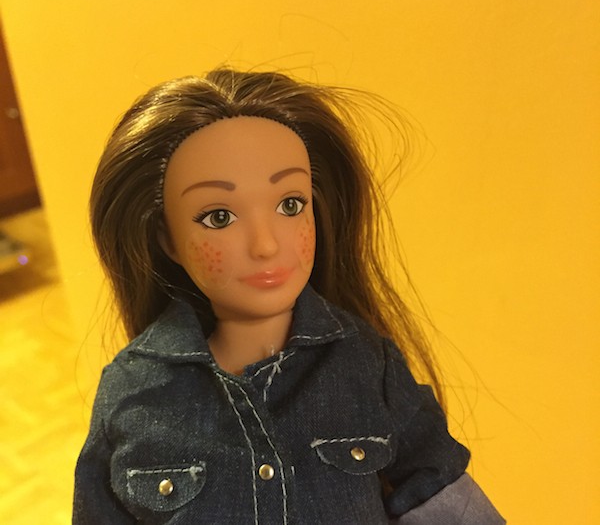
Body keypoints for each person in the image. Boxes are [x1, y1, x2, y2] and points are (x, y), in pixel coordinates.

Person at [74, 68, 505, 524]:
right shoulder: (135, 394)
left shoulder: (364, 363)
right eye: (219, 217)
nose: (265, 245)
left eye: (290, 205)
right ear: (168, 240)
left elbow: (437, 487)